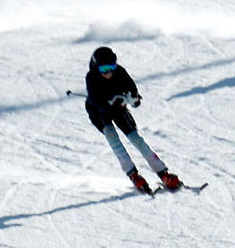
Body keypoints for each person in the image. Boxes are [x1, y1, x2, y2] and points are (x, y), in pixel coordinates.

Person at [78, 46, 182, 195]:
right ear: (96, 67)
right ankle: (132, 174)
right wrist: (111, 103)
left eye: (111, 66)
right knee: (113, 138)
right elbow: (95, 101)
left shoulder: (119, 72)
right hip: (98, 113)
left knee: (136, 138)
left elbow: (132, 90)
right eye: (103, 68)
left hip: (118, 109)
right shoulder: (91, 77)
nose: (108, 72)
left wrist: (134, 99)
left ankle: (162, 172)